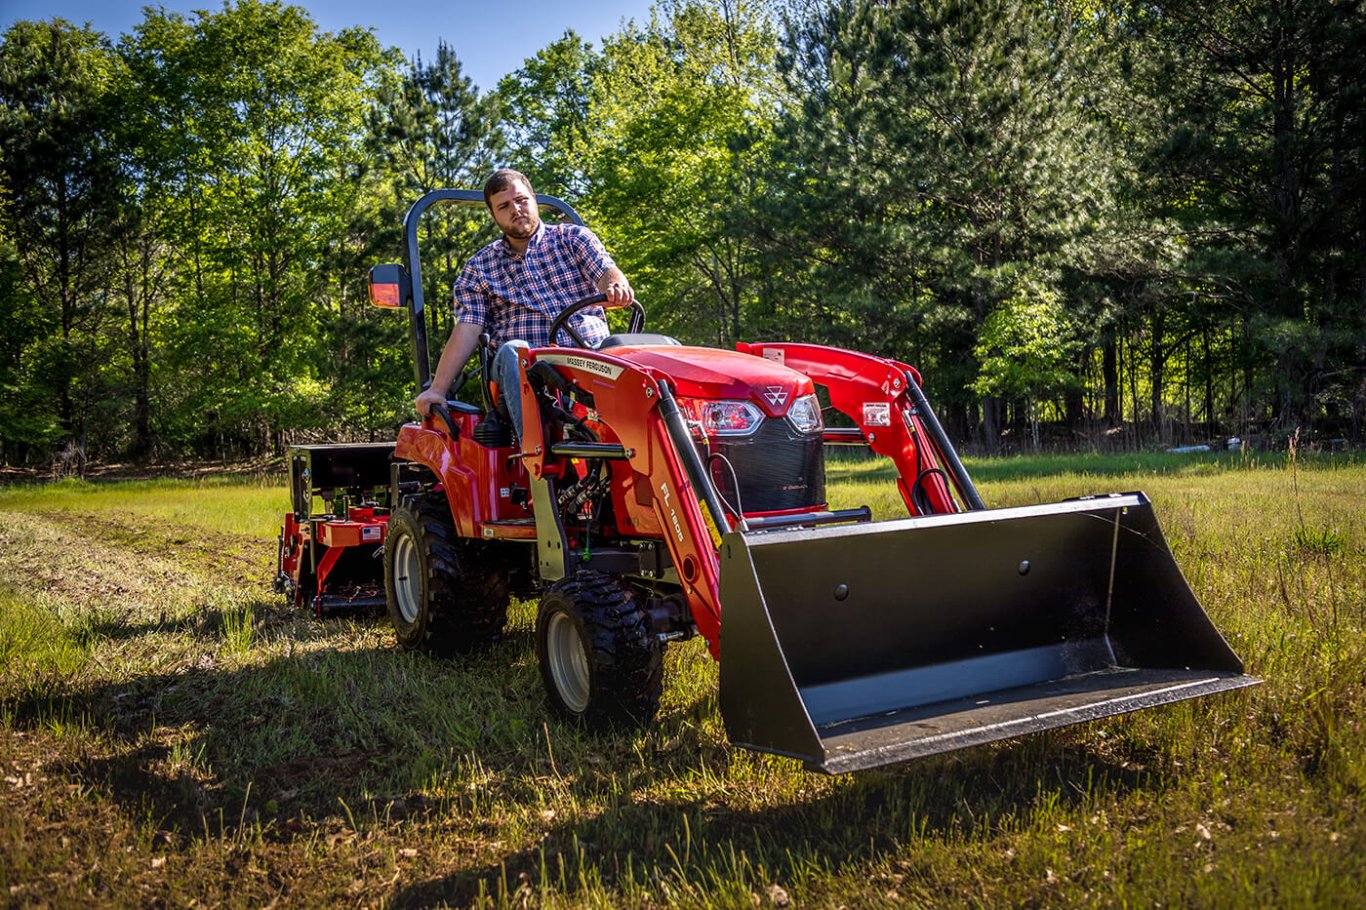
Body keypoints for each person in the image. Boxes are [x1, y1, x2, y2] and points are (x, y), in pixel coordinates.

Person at [414, 168, 635, 439]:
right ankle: (538, 456)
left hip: (591, 361)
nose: (516, 209)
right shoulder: (479, 268)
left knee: (649, 350)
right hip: (526, 372)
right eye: (504, 206)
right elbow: (468, 328)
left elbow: (606, 272)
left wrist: (615, 285)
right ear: (494, 215)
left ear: (533, 199)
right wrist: (437, 389)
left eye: (521, 200)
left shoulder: (574, 239)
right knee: (514, 351)